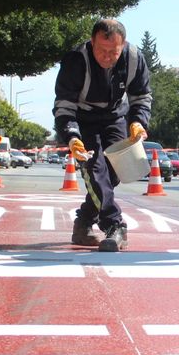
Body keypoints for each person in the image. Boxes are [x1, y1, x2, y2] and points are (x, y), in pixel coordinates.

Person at [54, 18, 151, 252]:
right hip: (83, 119)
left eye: (113, 52)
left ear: (123, 45)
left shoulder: (135, 59)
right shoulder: (76, 60)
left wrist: (138, 122)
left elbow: (141, 97)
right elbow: (64, 106)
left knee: (115, 173)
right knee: (95, 171)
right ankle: (114, 226)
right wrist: (72, 137)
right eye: (101, 50)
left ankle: (84, 222)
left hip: (116, 116)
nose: (106, 57)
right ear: (91, 41)